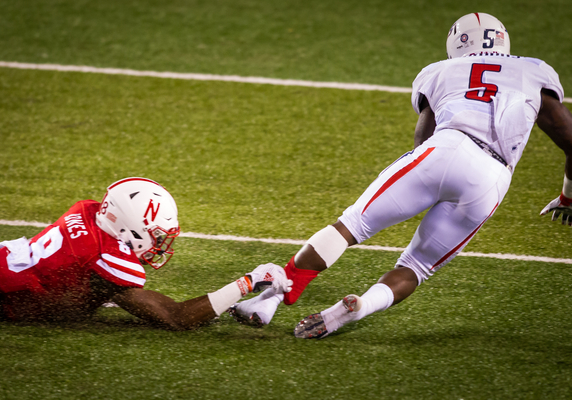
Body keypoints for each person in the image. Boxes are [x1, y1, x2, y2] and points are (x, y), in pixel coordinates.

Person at [229, 12, 572, 338]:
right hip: (493, 178)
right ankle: (359, 307)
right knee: (418, 266)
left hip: (447, 147)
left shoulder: (440, 71)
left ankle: (270, 300)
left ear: (457, 44)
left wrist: (423, 182)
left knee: (350, 226)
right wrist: (568, 195)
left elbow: (423, 138)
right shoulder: (534, 71)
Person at [0, 177, 292, 329]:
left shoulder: (89, 213)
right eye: (156, 236)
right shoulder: (106, 258)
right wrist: (248, 282)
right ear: (129, 229)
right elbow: (176, 318)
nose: (159, 244)